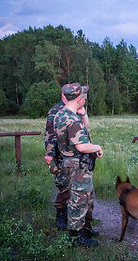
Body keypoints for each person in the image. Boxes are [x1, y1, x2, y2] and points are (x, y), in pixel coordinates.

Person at [54, 82, 103, 247]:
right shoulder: (72, 119)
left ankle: (85, 228)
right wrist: (97, 147)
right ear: (79, 98)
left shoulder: (61, 115)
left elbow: (83, 131)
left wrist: (83, 114)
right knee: (79, 200)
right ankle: (76, 236)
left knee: (86, 197)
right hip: (78, 165)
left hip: (70, 162)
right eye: (84, 96)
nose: (85, 98)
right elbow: (82, 145)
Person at [44, 92, 90, 230]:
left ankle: (79, 220)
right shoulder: (56, 111)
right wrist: (50, 154)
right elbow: (49, 134)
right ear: (64, 96)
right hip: (61, 156)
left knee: (78, 188)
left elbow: (84, 131)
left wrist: (83, 114)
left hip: (77, 156)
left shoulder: (76, 110)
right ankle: (61, 213)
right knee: (64, 185)